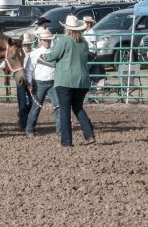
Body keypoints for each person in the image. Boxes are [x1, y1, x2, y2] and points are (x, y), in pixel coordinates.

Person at [38, 14, 95, 147]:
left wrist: (42, 57)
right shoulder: (84, 43)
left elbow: (54, 55)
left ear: (67, 28)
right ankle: (89, 135)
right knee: (78, 107)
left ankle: (66, 141)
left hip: (65, 81)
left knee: (64, 110)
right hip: (82, 81)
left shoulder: (64, 40)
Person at [25, 28, 59, 136]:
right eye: (45, 40)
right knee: (36, 107)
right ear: (40, 41)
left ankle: (60, 130)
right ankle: (29, 129)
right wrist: (29, 82)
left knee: (58, 106)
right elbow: (29, 70)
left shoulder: (54, 52)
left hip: (53, 82)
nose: (47, 41)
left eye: (49, 40)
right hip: (39, 83)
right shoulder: (34, 54)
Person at [15, 32, 35, 129]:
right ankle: (23, 124)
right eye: (25, 44)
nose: (27, 46)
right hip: (21, 81)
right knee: (22, 103)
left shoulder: (35, 53)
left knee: (33, 103)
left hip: (32, 81)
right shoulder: (18, 54)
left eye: (28, 44)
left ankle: (22, 114)